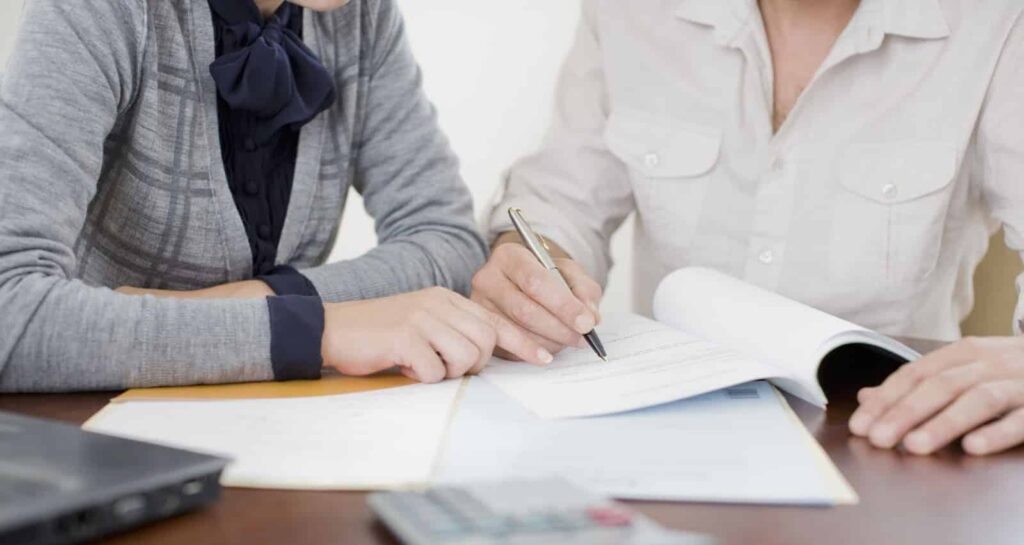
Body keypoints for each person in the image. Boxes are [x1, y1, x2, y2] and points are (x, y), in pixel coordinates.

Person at [471, 0, 1024, 456]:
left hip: (888, 433)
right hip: (667, 428)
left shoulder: (998, 22)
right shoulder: (628, 13)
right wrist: (530, 255)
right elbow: (561, 197)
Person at [0, 0, 549, 393]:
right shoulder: (95, 11)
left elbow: (448, 242)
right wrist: (317, 328)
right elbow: (9, 311)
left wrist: (263, 297)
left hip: (271, 418)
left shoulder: (363, 15)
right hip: (93, 431)